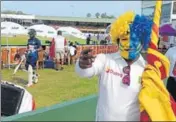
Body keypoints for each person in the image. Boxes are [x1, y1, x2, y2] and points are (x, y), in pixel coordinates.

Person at [75, 11, 153, 121]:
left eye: (135, 39)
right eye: (125, 39)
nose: (129, 44)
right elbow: (85, 72)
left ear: (143, 41)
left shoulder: (146, 69)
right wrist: (83, 65)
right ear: (117, 40)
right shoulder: (105, 59)